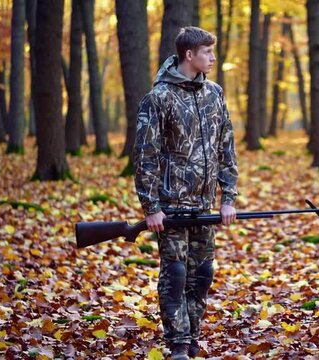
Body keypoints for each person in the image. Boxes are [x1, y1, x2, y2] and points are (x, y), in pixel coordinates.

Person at [133, 26, 238, 360]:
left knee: (202, 273)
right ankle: (177, 342)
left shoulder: (214, 93)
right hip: (170, 205)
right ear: (189, 55)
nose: (213, 57)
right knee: (176, 274)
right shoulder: (158, 97)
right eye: (207, 52)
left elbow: (226, 146)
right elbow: (144, 155)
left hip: (205, 204)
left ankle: (192, 335)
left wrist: (228, 197)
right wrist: (151, 207)